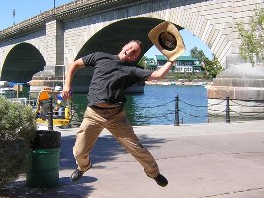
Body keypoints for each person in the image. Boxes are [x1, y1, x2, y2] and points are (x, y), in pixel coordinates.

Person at [61, 39, 178, 187]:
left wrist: (172, 60)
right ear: (123, 46)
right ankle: (83, 167)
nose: (130, 51)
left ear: (135, 58)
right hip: (93, 114)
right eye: (129, 47)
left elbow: (159, 74)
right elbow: (75, 64)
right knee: (79, 151)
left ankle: (154, 173)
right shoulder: (100, 57)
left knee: (136, 148)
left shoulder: (133, 70)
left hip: (116, 115)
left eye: (134, 52)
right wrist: (66, 85)